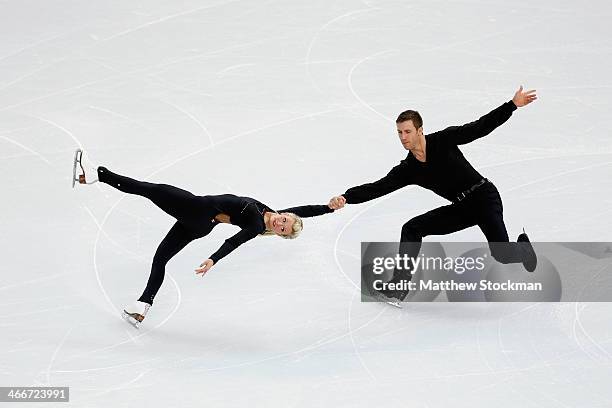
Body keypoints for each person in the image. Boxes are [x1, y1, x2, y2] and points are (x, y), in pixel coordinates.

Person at [73, 150, 335, 327]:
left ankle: (97, 174)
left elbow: (232, 243)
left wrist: (213, 260)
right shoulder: (270, 211)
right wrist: (328, 208)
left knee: (150, 189)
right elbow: (304, 211)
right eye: (285, 221)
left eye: (283, 230)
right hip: (199, 220)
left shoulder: (256, 225)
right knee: (160, 258)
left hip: (197, 213)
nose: (281, 223)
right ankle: (142, 305)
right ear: (286, 215)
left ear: (278, 235)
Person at [328, 86, 538, 303]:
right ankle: (399, 287)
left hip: (484, 198)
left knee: (502, 254)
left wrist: (511, 105)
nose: (403, 137)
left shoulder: (443, 140)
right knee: (412, 228)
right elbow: (378, 187)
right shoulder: (409, 169)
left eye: (407, 131)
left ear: (420, 130)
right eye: (399, 132)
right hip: (462, 208)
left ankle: (523, 249)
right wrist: (347, 197)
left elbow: (478, 128)